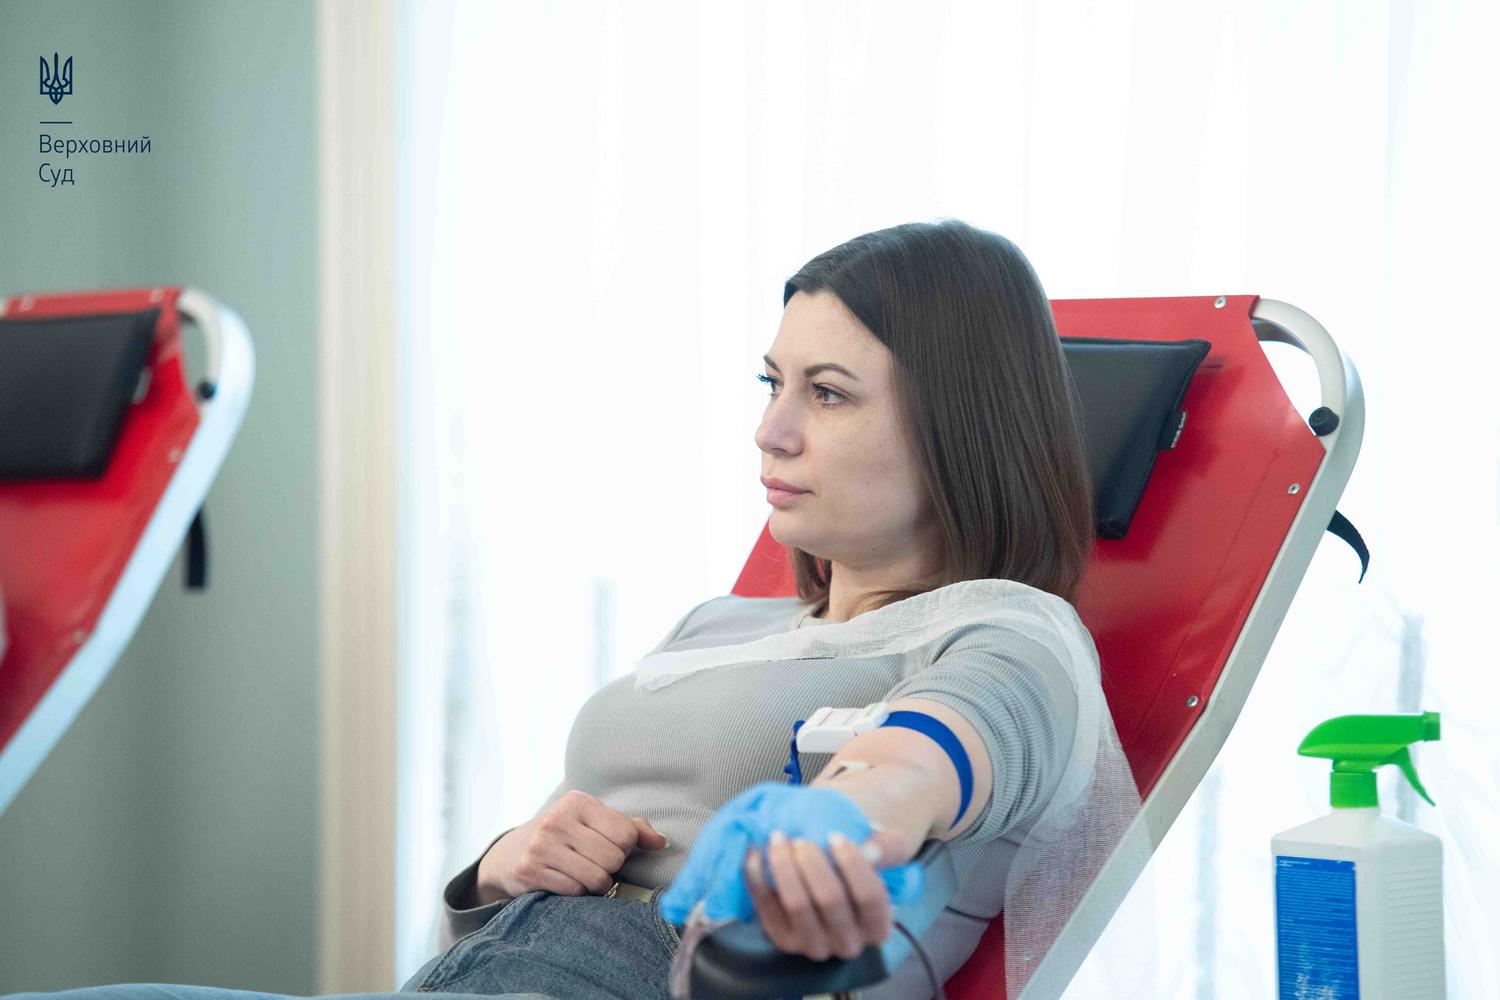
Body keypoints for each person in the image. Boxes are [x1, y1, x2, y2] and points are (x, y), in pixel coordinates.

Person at [5, 219, 1102, 1000]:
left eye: (828, 393)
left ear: (957, 426)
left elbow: (930, 756)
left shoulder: (1008, 630)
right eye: (773, 384)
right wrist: (507, 862)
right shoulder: (719, 623)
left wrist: (843, 819)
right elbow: (509, 904)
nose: (770, 431)